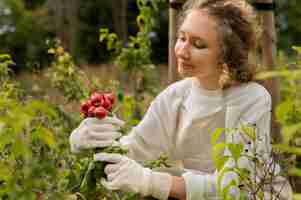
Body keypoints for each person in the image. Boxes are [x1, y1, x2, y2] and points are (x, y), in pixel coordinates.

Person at [70, 0, 292, 199]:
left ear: (227, 54)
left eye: (198, 45)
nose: (182, 51)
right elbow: (137, 150)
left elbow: (234, 187)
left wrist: (150, 181)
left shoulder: (250, 98)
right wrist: (91, 143)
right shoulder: (174, 96)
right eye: (182, 38)